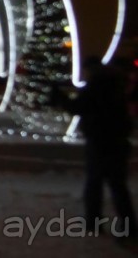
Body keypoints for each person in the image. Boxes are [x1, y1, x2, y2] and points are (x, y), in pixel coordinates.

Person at [53, 56, 136, 236]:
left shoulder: (96, 87)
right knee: (117, 185)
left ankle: (94, 222)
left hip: (99, 141)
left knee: (95, 183)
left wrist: (60, 97)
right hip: (117, 142)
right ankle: (129, 225)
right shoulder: (115, 86)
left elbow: (78, 107)